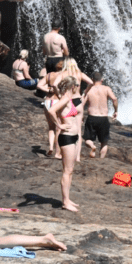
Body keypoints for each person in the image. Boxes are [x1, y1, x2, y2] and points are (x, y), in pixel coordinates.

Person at [47, 77, 84, 212]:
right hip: (67, 137)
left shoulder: (66, 97)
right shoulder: (65, 99)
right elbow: (51, 110)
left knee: (70, 171)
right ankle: (65, 202)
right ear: (73, 87)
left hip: (73, 137)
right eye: (77, 86)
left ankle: (67, 199)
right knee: (67, 171)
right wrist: (59, 125)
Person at [83, 71, 117, 158]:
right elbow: (114, 99)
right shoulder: (106, 89)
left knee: (87, 139)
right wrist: (115, 111)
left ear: (92, 79)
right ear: (102, 79)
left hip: (92, 117)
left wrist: (80, 115)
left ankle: (92, 146)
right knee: (104, 142)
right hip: (103, 118)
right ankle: (101, 159)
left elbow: (82, 103)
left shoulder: (89, 90)